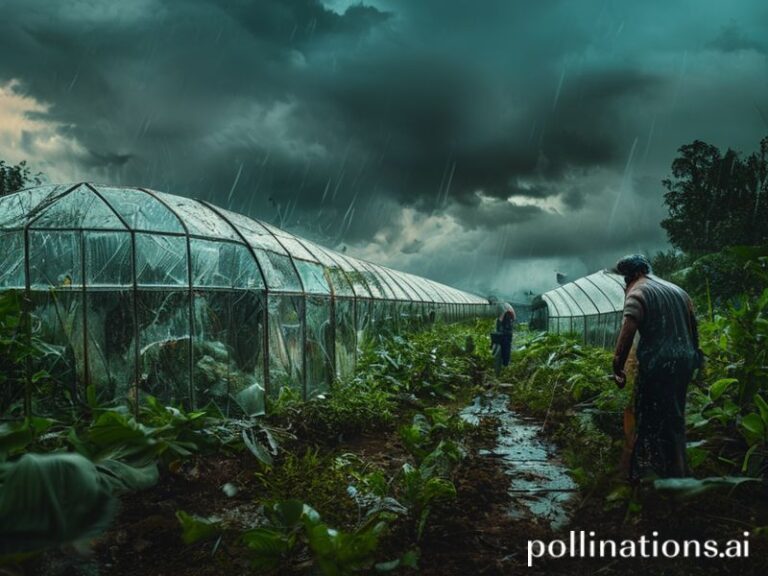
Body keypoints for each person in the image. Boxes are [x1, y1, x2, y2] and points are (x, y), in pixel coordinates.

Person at [612, 254, 701, 481]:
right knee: (675, 415)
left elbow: (628, 331)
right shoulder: (678, 291)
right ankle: (679, 470)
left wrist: (617, 366)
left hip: (658, 364)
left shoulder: (638, 292)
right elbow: (693, 328)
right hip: (684, 361)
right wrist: (695, 357)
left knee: (649, 416)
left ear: (630, 276)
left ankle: (651, 473)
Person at [491, 302, 516, 376]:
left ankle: (504, 366)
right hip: (505, 337)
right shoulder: (503, 316)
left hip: (506, 337)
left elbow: (507, 327)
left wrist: (502, 331)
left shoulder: (507, 315)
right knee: (503, 353)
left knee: (505, 352)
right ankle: (503, 366)